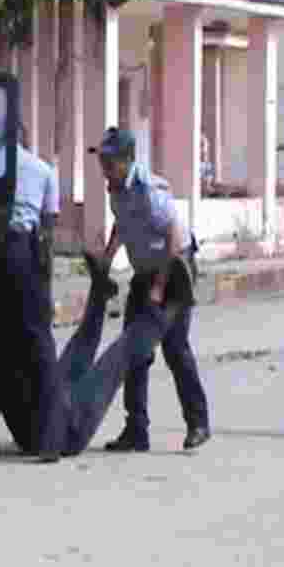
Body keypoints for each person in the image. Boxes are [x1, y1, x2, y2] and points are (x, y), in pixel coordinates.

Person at [86, 128, 211, 453]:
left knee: (175, 349)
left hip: (174, 271)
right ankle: (136, 430)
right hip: (145, 272)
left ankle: (198, 422)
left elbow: (173, 236)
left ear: (127, 160)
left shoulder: (149, 190)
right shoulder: (116, 189)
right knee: (134, 352)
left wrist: (159, 288)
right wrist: (108, 256)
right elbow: (122, 223)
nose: (104, 168)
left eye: (110, 162)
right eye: (102, 161)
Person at [0, 122, 66, 463]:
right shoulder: (43, 170)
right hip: (25, 257)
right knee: (41, 348)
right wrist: (46, 287)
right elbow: (48, 233)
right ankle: (51, 439)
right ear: (26, 138)